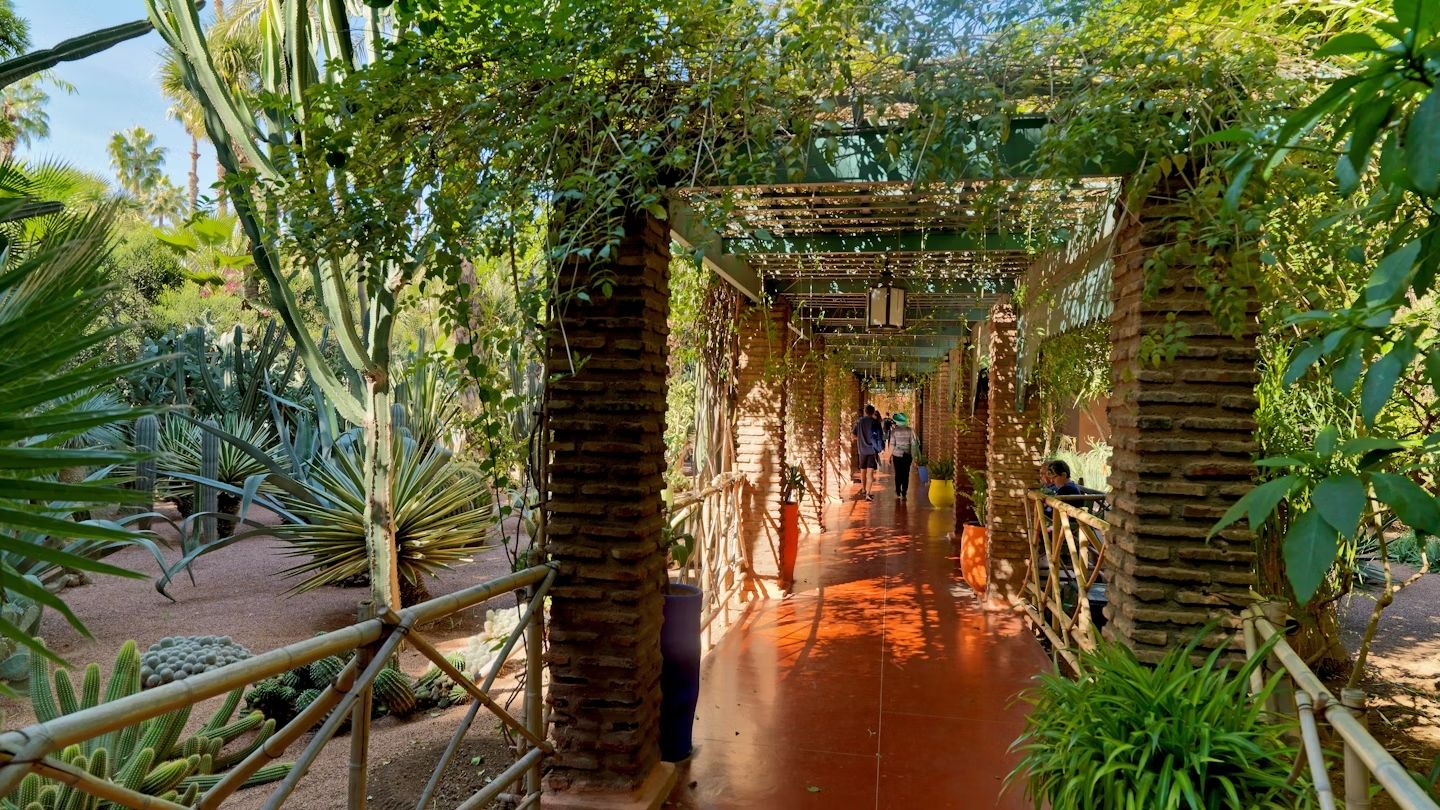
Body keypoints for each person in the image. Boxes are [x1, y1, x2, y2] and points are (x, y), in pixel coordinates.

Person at [852, 404, 884, 500]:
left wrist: (860, 439)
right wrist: (881, 449)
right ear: (873, 412)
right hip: (872, 451)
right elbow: (880, 437)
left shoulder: (859, 422)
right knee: (870, 474)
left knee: (863, 471)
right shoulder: (876, 422)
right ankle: (868, 494)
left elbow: (853, 436)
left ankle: (863, 489)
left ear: (865, 412)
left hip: (862, 450)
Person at [888, 413, 917, 501]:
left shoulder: (894, 431)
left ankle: (898, 492)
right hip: (907, 455)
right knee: (906, 474)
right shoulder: (910, 430)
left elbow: (892, 444)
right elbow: (913, 444)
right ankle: (904, 492)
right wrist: (914, 457)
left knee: (898, 473)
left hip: (897, 455)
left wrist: (889, 456)